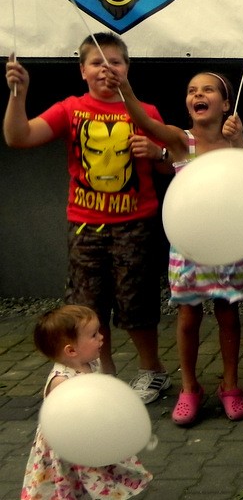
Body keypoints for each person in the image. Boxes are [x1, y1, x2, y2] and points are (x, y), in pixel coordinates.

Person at [4, 34, 169, 403]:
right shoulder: (70, 109)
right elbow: (19, 137)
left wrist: (155, 152)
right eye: (97, 63)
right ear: (82, 71)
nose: (106, 70)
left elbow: (171, 164)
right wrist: (18, 93)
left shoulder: (145, 111)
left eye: (115, 62)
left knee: (137, 305)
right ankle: (102, 373)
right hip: (85, 227)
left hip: (135, 225)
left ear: (127, 68)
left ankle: (152, 371)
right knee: (89, 306)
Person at [110, 70, 243, 426]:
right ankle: (190, 387)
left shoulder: (234, 143)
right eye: (192, 91)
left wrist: (240, 139)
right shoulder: (179, 140)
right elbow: (144, 122)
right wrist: (126, 87)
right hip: (187, 246)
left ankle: (230, 385)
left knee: (228, 316)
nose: (198, 95)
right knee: (188, 317)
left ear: (227, 104)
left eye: (208, 90)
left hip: (227, 243)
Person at [22, 304, 151, 498]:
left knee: (95, 475)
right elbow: (66, 418)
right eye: (93, 335)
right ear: (71, 350)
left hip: (90, 435)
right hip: (68, 442)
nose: (101, 337)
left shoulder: (91, 362)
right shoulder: (61, 381)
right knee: (68, 480)